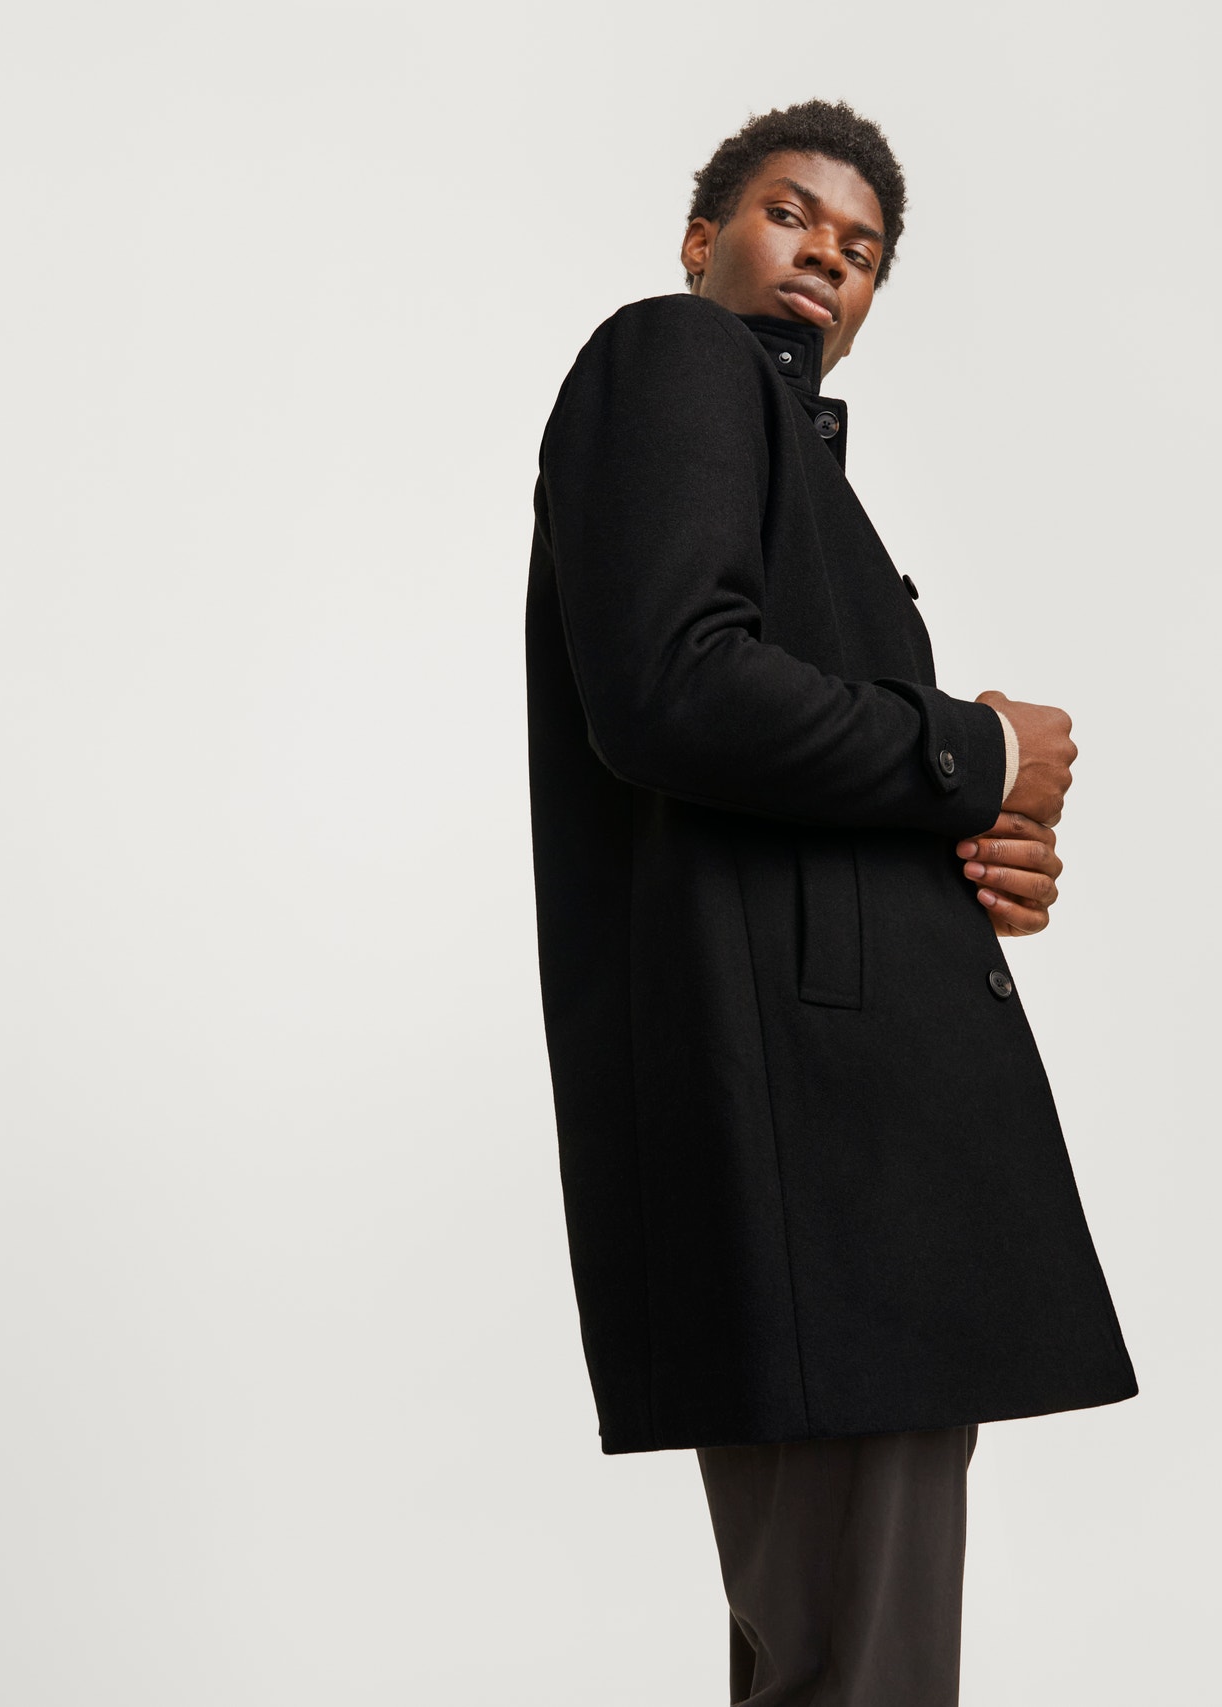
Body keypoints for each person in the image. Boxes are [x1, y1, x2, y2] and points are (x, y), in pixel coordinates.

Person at [523, 98, 1137, 1704]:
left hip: (848, 1153)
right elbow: (676, 689)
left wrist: (974, 849)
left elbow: (782, 764)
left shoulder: (787, 466)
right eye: (789, 214)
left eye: (860, 251)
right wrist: (978, 749)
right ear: (700, 239)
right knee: (862, 1672)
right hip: (816, 1152)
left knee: (841, 1658)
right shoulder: (671, 354)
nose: (825, 257)